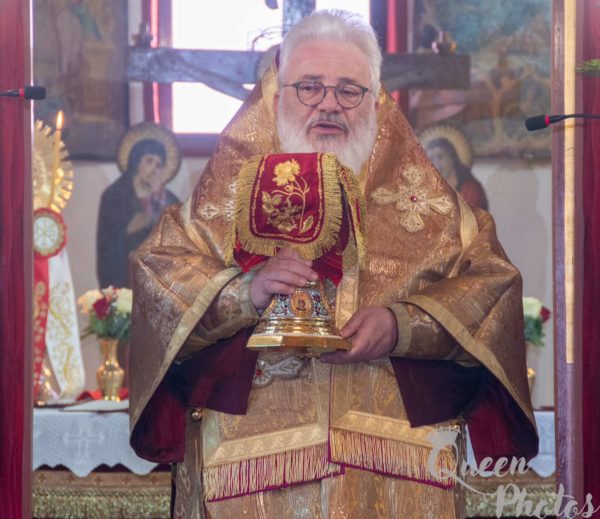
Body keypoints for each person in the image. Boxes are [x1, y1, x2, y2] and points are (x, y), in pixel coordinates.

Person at [129, 10, 538, 518]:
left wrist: (402, 325)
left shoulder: (428, 202)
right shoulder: (226, 190)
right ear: (276, 95)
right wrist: (244, 293)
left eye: (349, 90)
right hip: (248, 463)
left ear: (376, 100)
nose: (328, 104)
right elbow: (158, 275)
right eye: (309, 87)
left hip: (395, 463)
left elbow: (492, 284)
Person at [96, 122, 180, 288]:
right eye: (149, 161)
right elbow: (105, 245)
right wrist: (128, 231)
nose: (154, 169)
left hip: (157, 282)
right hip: (124, 281)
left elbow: (178, 247)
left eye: (158, 165)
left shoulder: (169, 200)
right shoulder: (114, 196)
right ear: (136, 161)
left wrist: (159, 205)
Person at [420, 125, 489, 210]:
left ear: (452, 159)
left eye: (440, 157)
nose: (435, 164)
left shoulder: (471, 190)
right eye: (431, 159)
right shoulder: (425, 191)